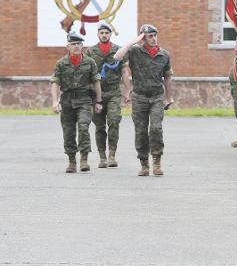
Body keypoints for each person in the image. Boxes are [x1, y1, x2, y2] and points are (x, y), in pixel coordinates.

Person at [114, 24, 174, 176]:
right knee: (140, 131)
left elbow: (167, 77)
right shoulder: (134, 51)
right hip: (139, 96)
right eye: (150, 36)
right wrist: (133, 41)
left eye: (155, 35)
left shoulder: (164, 54)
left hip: (156, 97)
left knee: (156, 128)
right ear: (143, 38)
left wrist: (169, 97)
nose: (154, 39)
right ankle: (144, 163)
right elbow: (117, 56)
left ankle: (157, 161)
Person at [50, 31, 102, 173]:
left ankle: (84, 159)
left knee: (84, 127)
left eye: (79, 44)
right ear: (68, 46)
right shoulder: (61, 63)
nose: (77, 46)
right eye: (73, 44)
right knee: (68, 131)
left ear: (82, 46)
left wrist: (99, 101)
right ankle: (72, 161)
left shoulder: (89, 62)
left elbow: (96, 81)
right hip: (67, 101)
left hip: (84, 100)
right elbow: (55, 83)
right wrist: (55, 102)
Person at [85, 22, 131, 168]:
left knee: (114, 121)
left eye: (107, 33)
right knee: (99, 126)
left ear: (110, 34)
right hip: (96, 94)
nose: (104, 35)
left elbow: (124, 71)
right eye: (102, 33)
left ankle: (112, 155)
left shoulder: (118, 50)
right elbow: (86, 73)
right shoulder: (90, 52)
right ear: (98, 34)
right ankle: (102, 157)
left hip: (113, 92)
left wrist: (127, 90)